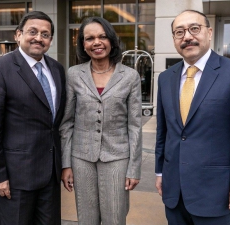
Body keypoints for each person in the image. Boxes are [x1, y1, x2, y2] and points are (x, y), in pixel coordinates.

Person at [155, 10, 230, 225]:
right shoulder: (166, 78)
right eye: (179, 32)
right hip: (174, 191)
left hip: (215, 193)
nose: (187, 36)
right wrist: (160, 172)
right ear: (175, 39)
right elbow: (163, 130)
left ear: (209, 32)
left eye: (194, 28)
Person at [0, 11, 66, 225]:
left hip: (50, 176)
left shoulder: (57, 69)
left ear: (51, 40)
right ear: (18, 35)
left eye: (45, 34)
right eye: (32, 32)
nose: (38, 38)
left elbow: (54, 124)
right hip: (15, 177)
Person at [60, 17, 142, 225]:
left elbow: (134, 126)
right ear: (83, 45)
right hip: (81, 157)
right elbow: (67, 122)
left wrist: (134, 168)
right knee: (86, 218)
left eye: (102, 36)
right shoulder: (74, 74)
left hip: (117, 157)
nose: (96, 42)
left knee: (115, 217)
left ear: (111, 41)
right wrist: (66, 164)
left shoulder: (130, 76)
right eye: (90, 38)